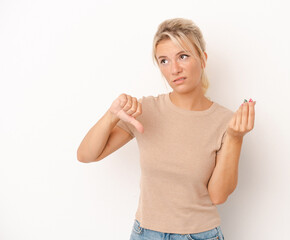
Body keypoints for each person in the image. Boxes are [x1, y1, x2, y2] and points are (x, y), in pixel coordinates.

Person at [77, 18, 256, 240]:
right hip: (145, 234)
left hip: (199, 235)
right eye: (164, 61)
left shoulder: (225, 121)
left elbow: (218, 196)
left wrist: (235, 138)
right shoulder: (146, 109)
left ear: (203, 59)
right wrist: (111, 115)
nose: (174, 69)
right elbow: (86, 155)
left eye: (183, 56)